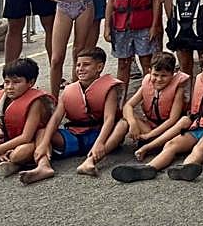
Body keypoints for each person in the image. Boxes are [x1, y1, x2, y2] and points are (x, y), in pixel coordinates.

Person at [109, 46, 203, 182]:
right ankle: (149, 168)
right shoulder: (200, 79)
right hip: (196, 126)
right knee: (171, 144)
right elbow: (128, 105)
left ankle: (187, 167)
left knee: (201, 147)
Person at [20, 46, 125, 183]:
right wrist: (44, 143)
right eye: (78, 65)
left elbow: (109, 118)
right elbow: (56, 118)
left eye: (86, 65)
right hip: (74, 136)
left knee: (123, 124)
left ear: (99, 67)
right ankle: (43, 166)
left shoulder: (109, 88)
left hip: (99, 136)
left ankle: (90, 161)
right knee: (42, 132)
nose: (80, 69)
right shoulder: (69, 90)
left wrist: (99, 143)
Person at [115, 51, 189, 157]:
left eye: (164, 76)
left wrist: (149, 135)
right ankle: (99, 153)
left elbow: (172, 120)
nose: (158, 79)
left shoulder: (178, 89)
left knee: (185, 121)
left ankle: (149, 146)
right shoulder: (147, 83)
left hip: (168, 131)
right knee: (126, 118)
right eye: (155, 75)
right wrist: (133, 123)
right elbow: (128, 105)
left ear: (172, 75)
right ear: (150, 72)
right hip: (149, 127)